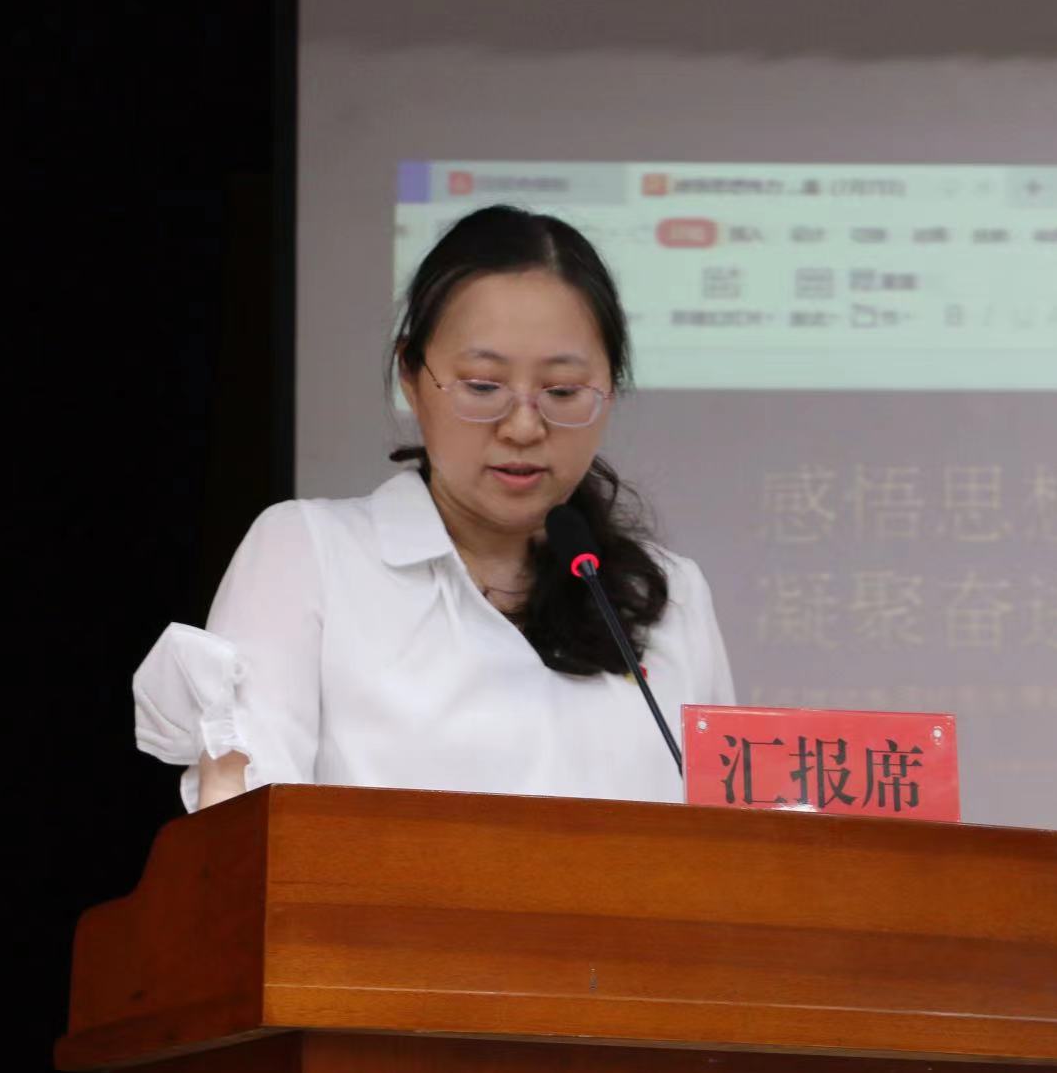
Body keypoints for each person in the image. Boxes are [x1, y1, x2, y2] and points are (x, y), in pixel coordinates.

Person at [132, 204, 735, 810]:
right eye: (483, 386)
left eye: (562, 391)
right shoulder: (309, 556)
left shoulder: (668, 596)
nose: (523, 427)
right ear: (412, 377)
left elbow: (734, 842)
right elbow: (246, 831)